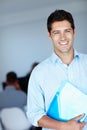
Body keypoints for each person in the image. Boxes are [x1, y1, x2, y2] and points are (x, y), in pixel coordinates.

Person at [26, 9, 87, 130]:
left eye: (67, 31)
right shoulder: (38, 73)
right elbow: (34, 115)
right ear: (49, 35)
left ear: (74, 31)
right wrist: (64, 126)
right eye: (56, 32)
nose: (63, 37)